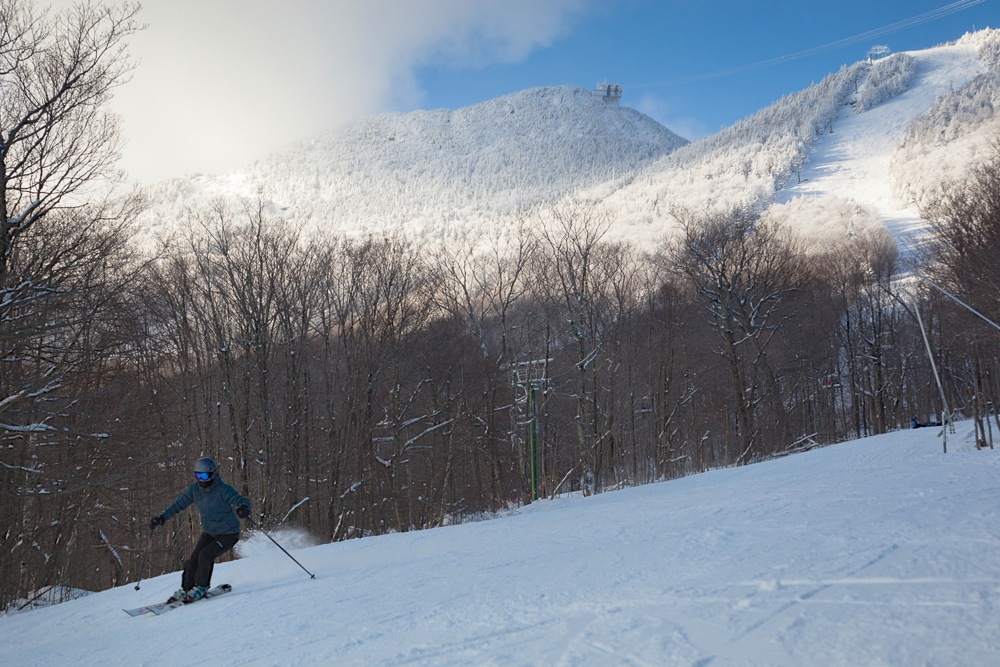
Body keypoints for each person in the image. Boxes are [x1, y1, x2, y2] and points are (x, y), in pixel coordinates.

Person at [149, 457, 252, 603]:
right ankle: (186, 588)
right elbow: (178, 504)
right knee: (193, 560)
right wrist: (162, 517)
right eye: (199, 476)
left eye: (205, 476)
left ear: (213, 475)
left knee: (205, 555)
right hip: (210, 532)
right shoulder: (194, 490)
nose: (202, 480)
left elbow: (241, 500)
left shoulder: (223, 490)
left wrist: (244, 508)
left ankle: (202, 587)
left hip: (228, 533)